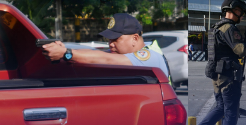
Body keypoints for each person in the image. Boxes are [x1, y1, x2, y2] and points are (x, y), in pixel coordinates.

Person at [194, 0, 246, 125]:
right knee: (231, 112)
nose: (242, 17)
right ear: (235, 10)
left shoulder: (216, 27)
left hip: (218, 76)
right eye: (241, 13)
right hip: (228, 77)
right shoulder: (229, 28)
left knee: (220, 108)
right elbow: (241, 50)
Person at [39, 13, 170, 79]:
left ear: (134, 38)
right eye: (109, 39)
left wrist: (66, 53)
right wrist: (63, 48)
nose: (110, 44)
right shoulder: (127, 52)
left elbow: (106, 59)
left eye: (115, 39)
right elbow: (94, 52)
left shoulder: (149, 56)